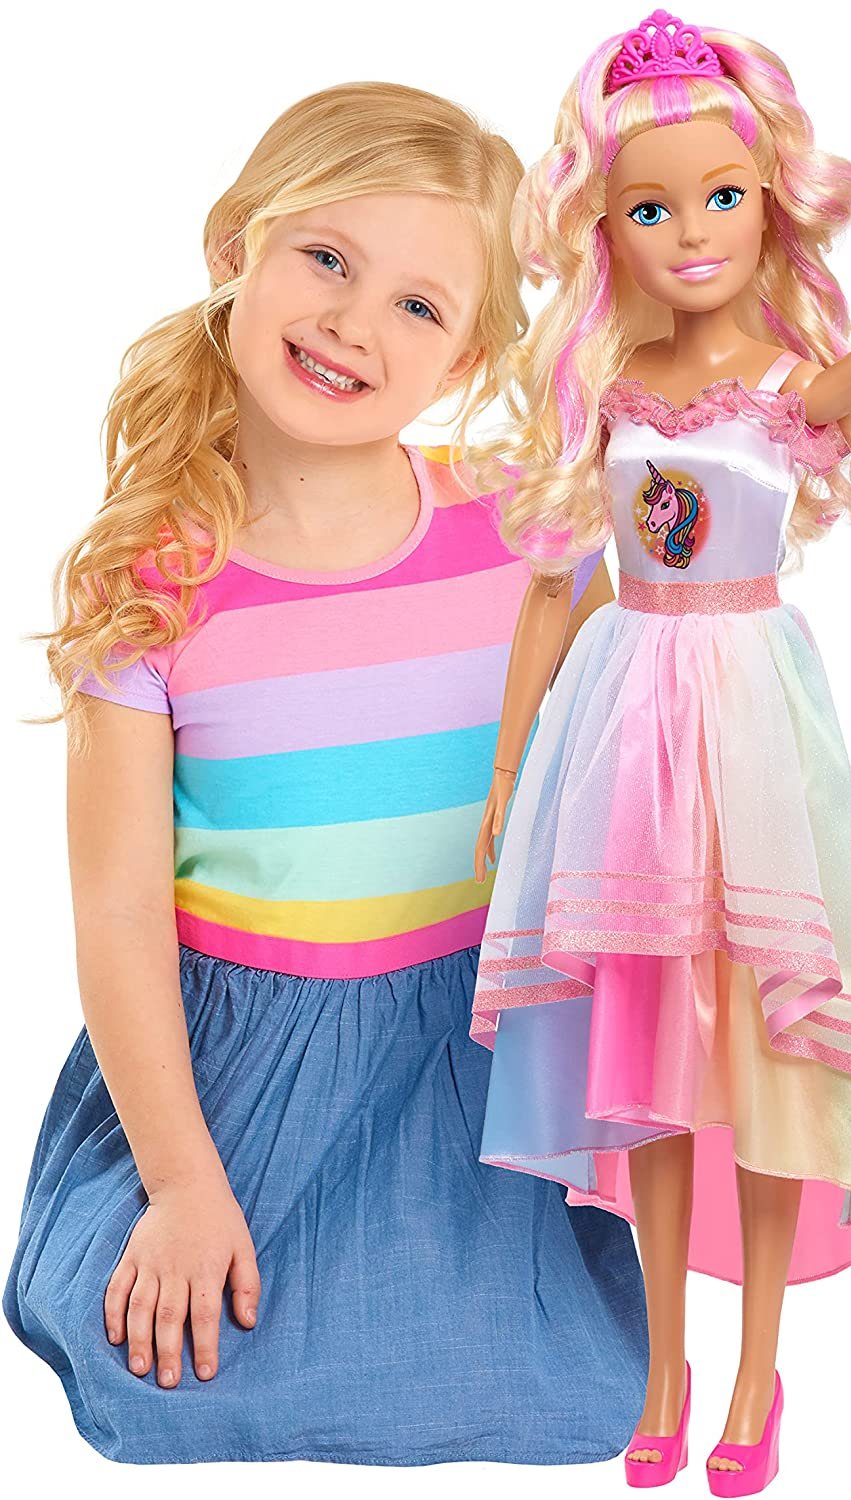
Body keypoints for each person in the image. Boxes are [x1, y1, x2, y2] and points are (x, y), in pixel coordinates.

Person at [3, 79, 648, 1467]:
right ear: (235, 246)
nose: (356, 322)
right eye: (327, 259)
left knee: (572, 1396)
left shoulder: (524, 537)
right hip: (245, 1068)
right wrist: (182, 1186)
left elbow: (626, 758)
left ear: (469, 358)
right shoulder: (149, 581)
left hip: (463, 1059)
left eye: (419, 304)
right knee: (163, 1376)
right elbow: (119, 913)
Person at [466, 7, 851, 1493]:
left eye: (720, 195)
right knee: (642, 1054)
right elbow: (552, 590)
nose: (691, 232)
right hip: (622, 726)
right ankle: (665, 1363)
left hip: (752, 724)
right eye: (650, 208)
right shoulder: (607, 385)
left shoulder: (791, 384)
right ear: (606, 229)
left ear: (771, 200)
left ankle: (757, 1363)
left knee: (763, 1046)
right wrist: (507, 774)